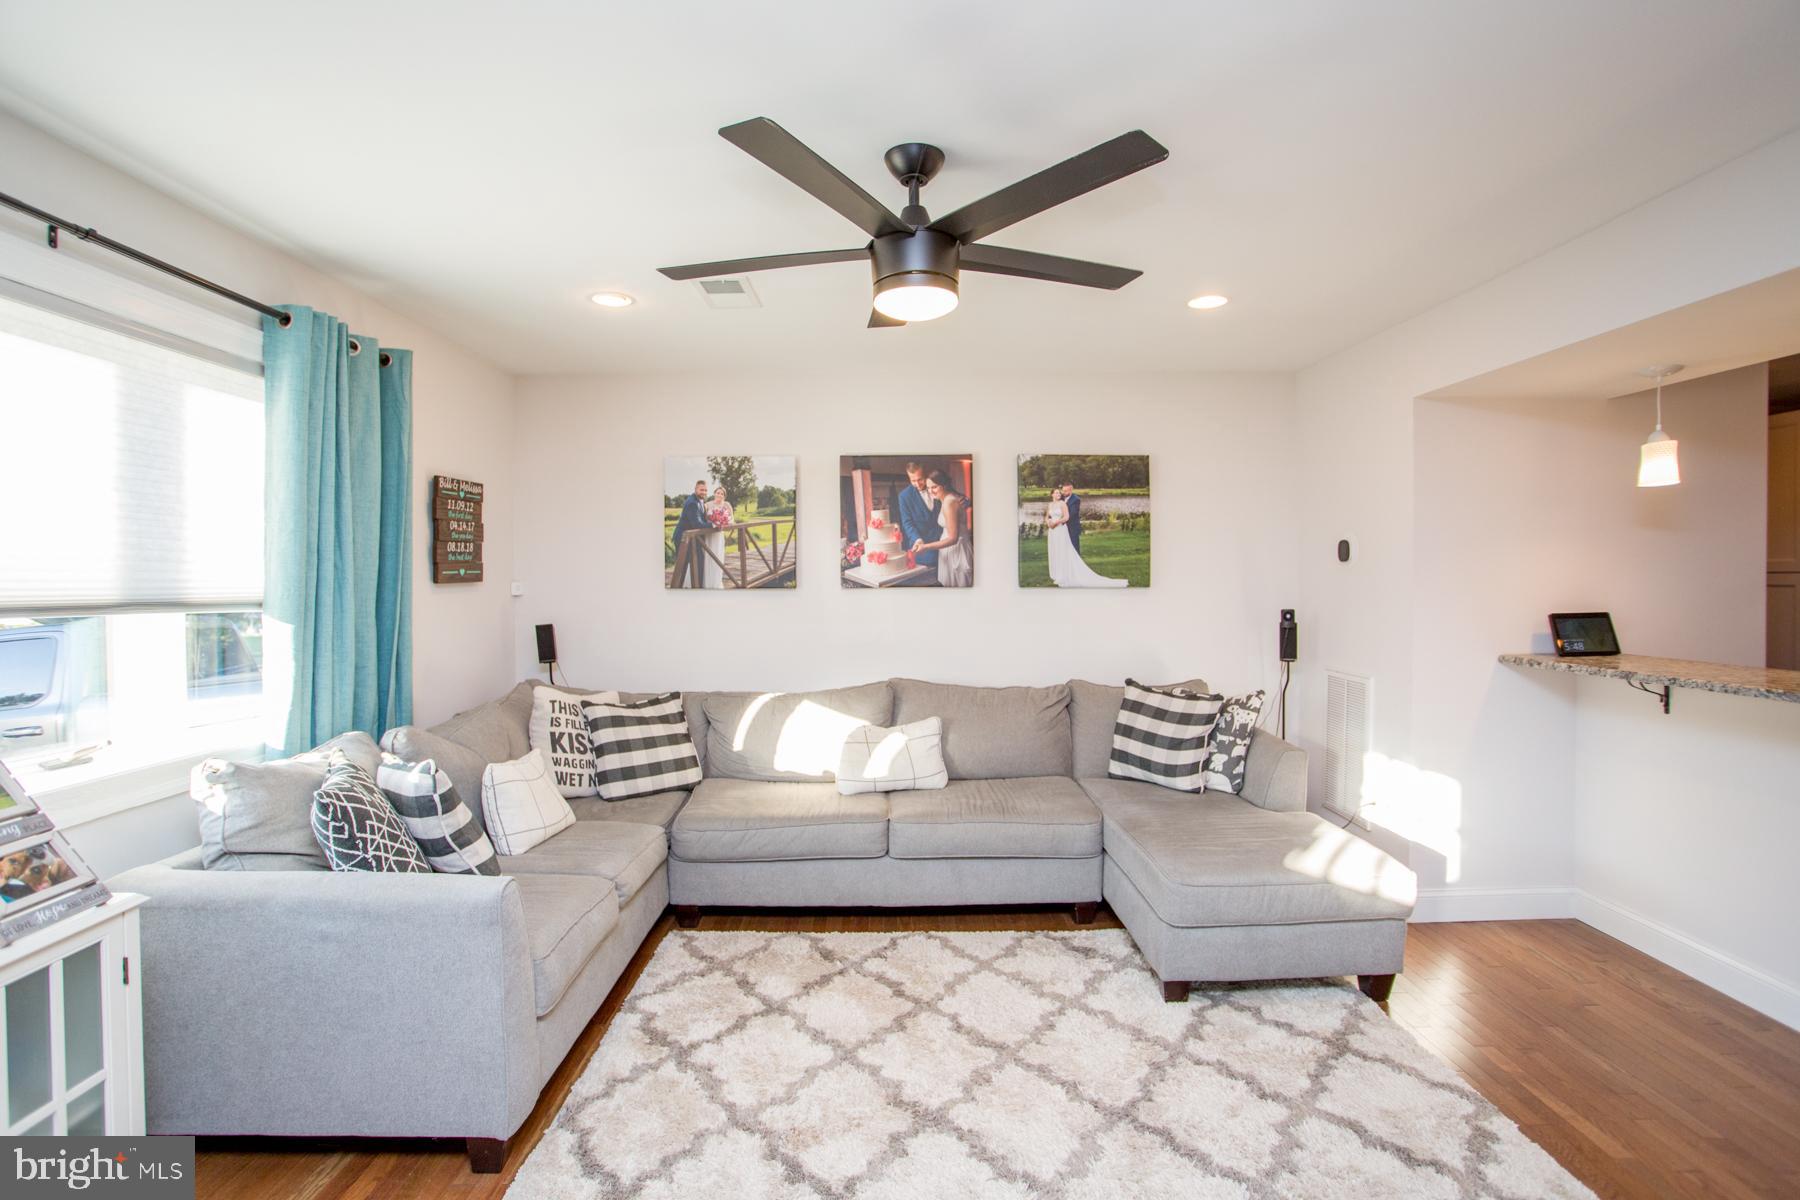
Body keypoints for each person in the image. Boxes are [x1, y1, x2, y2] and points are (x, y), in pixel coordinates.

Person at [1045, 486, 1125, 588]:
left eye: (1059, 493)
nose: (1058, 494)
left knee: (1063, 550)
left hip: (1060, 529)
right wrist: (1048, 523)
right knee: (1055, 550)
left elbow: (1067, 517)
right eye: (1056, 493)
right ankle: (1057, 573)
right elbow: (1047, 516)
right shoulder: (1050, 504)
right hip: (1052, 531)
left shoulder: (1063, 503)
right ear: (1052, 494)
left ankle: (1065, 573)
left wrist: (1056, 523)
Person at [912, 469, 973, 587]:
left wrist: (926, 547)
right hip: (949, 550)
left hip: (956, 551)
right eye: (928, 487)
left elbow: (953, 538)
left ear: (944, 485)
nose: (930, 491)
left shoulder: (949, 502)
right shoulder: (945, 499)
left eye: (934, 487)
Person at [895, 461, 942, 584]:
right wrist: (917, 539)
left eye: (920, 479)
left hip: (945, 543)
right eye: (912, 480)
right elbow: (907, 523)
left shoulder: (937, 485)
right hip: (923, 547)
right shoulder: (904, 496)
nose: (917, 484)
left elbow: (954, 497)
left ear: (926, 475)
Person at [672, 480, 712, 586]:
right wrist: (713, 525)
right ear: (695, 489)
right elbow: (697, 524)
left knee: (698, 562)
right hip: (683, 538)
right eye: (701, 490)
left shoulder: (700, 500)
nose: (704, 492)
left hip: (693, 538)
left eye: (705, 490)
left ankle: (697, 587)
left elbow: (702, 519)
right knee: (682, 566)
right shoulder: (692, 503)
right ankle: (677, 587)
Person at [701, 487, 734, 589]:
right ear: (714, 493)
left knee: (718, 557)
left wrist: (724, 522)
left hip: (719, 536)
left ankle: (715, 581)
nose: (719, 495)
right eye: (718, 493)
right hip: (709, 535)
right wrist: (713, 522)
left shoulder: (727, 505)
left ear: (724, 496)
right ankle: (706, 581)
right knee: (707, 557)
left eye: (722, 494)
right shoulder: (707, 505)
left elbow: (732, 519)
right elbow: (704, 520)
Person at [1062, 480, 1083, 552]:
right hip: (1063, 527)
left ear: (1071, 490)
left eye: (1066, 491)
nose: (1064, 493)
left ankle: (1076, 562)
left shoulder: (1076, 499)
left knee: (1074, 546)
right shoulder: (1061, 498)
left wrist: (1061, 520)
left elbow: (1073, 513)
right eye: (1063, 490)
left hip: (1072, 526)